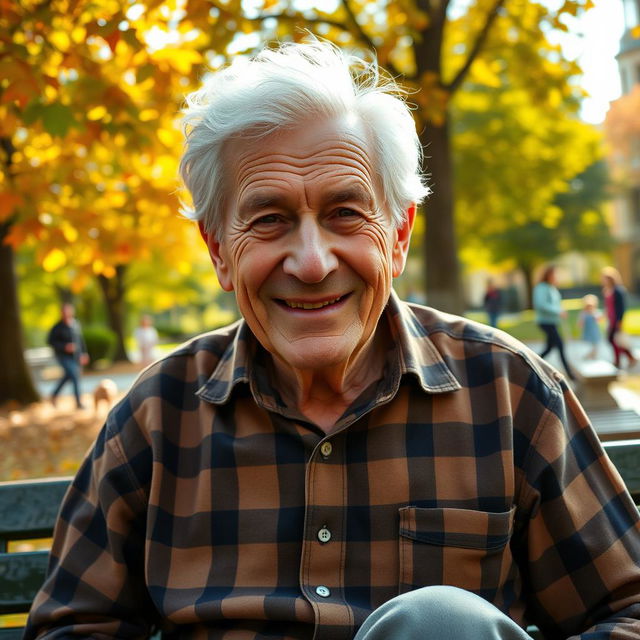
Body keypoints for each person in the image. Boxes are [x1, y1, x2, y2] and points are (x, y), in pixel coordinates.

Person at [25, 41, 640, 639]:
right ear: (218, 252)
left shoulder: (508, 394)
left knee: (441, 623)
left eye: (346, 213)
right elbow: (74, 625)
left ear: (398, 235)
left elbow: (627, 607)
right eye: (269, 219)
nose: (313, 262)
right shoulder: (157, 416)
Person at [532, 265, 576, 381]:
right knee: (560, 345)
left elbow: (555, 303)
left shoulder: (552, 288)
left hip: (553, 321)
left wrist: (560, 311)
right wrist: (558, 311)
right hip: (545, 322)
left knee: (549, 348)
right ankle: (570, 374)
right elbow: (541, 304)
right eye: (553, 274)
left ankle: (531, 364)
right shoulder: (541, 288)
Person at [46, 302, 89, 410]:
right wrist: (64, 346)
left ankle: (54, 395)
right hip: (63, 356)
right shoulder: (57, 327)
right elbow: (50, 341)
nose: (66, 313)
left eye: (68, 311)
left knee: (68, 376)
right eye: (64, 311)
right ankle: (79, 403)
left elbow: (80, 340)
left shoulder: (75, 324)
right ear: (61, 313)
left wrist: (84, 353)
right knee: (74, 375)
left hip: (75, 356)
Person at [602, 266, 637, 370]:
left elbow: (621, 307)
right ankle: (629, 356)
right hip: (610, 319)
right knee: (612, 339)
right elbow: (608, 306)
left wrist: (620, 320)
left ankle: (619, 360)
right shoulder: (607, 290)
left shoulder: (618, 290)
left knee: (614, 339)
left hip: (616, 319)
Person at [577, 293, 603, 359]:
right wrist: (581, 323)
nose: (589, 308)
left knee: (595, 344)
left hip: (594, 331)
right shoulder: (584, 313)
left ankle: (593, 355)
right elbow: (580, 323)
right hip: (588, 331)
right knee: (589, 344)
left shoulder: (596, 312)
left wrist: (595, 316)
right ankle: (589, 355)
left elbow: (599, 319)